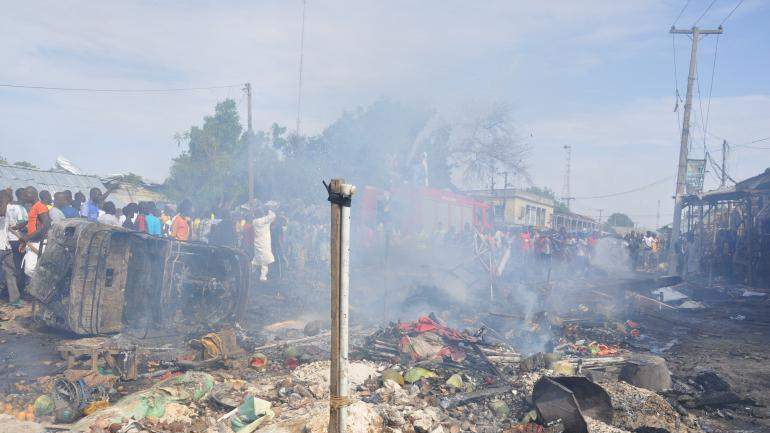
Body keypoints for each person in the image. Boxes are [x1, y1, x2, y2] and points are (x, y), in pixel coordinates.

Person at [18, 186, 50, 279]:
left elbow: (46, 225)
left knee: (31, 269)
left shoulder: (40, 206)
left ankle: (43, 286)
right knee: (29, 269)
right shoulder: (34, 207)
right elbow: (34, 222)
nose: (23, 197)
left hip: (39, 242)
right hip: (33, 241)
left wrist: (28, 237)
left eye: (25, 195)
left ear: (31, 194)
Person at [0, 189, 22, 306]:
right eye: (8, 197)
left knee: (10, 272)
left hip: (6, 246)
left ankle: (14, 299)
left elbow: (11, 226)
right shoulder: (3, 209)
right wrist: (4, 197)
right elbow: (2, 213)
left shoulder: (7, 209)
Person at [252, 206, 277, 281]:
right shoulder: (262, 220)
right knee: (264, 262)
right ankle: (262, 277)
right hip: (264, 243)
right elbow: (273, 216)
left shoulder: (254, 221)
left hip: (258, 242)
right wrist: (268, 209)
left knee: (257, 259)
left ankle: (250, 272)